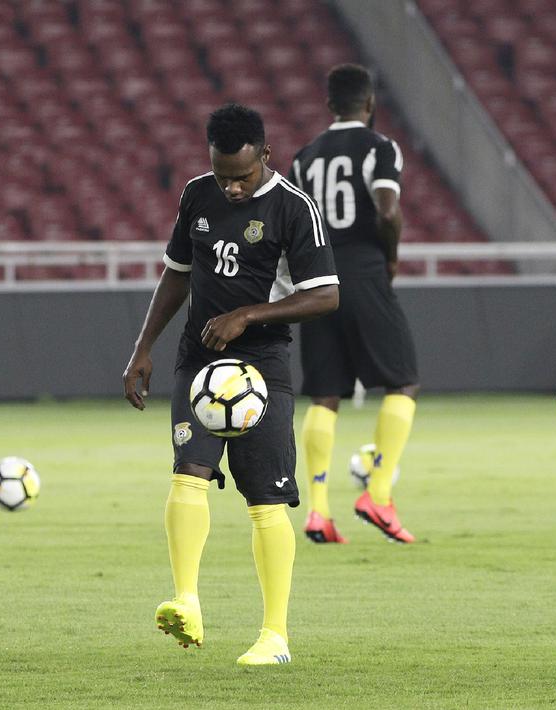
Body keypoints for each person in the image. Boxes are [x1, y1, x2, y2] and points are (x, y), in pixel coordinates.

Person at [122, 103, 338, 665]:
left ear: (265, 156)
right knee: (189, 469)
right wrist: (143, 347)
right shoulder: (197, 194)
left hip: (262, 365)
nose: (231, 188)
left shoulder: (296, 209)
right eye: (222, 175)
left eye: (241, 177)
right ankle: (187, 600)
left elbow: (326, 295)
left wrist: (247, 315)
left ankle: (275, 636)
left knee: (266, 498)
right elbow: (177, 273)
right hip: (199, 359)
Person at [289, 63, 419, 544]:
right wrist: (389, 257)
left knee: (325, 393)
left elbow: (294, 225)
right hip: (364, 271)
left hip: (317, 279)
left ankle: (318, 511)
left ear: (330, 106)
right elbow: (387, 209)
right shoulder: (381, 148)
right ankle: (378, 494)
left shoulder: (304, 157)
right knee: (403, 381)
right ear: (369, 106)